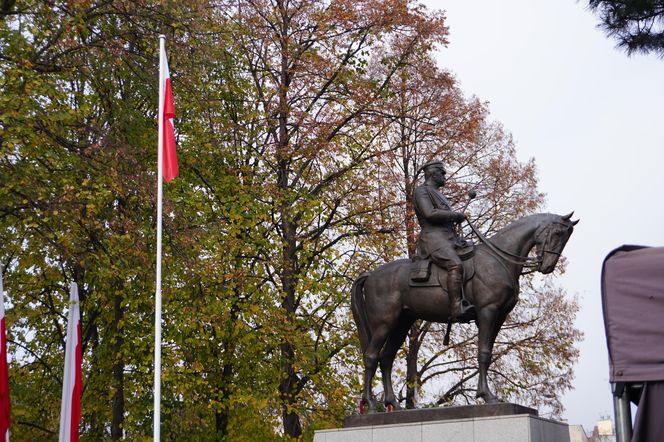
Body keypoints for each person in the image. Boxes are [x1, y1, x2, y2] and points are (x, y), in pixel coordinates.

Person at [413, 160, 473, 320]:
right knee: (455, 264)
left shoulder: (438, 194)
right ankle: (456, 307)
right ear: (432, 173)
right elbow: (429, 214)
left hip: (449, 238)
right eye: (442, 172)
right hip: (433, 239)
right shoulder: (422, 191)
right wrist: (455, 215)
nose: (445, 175)